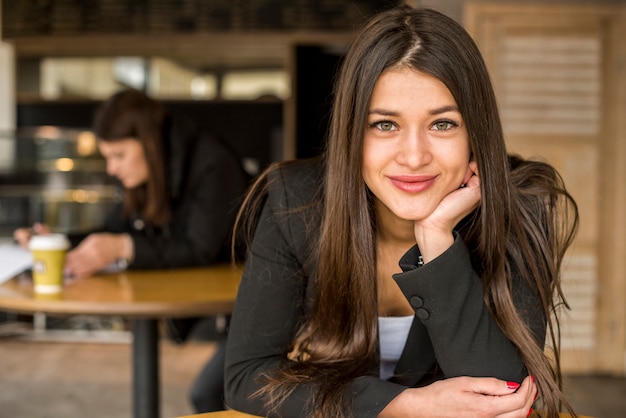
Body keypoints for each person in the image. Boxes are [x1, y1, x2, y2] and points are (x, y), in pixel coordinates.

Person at [224, 6, 579, 418]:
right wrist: (402, 404)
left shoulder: (522, 204)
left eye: (442, 124)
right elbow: (246, 377)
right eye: (385, 125)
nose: (413, 157)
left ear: (476, 133)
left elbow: (503, 398)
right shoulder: (297, 202)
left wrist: (437, 240)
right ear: (352, 134)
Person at [14, 88, 250, 412]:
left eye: (119, 155)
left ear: (149, 143)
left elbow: (200, 248)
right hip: (222, 303)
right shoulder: (148, 174)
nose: (111, 168)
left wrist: (124, 247)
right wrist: (58, 240)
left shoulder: (212, 161)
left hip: (262, 299)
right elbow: (113, 230)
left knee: (208, 395)